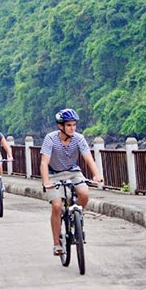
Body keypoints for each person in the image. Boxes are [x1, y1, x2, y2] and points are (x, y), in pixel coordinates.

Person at [40, 109, 103, 256]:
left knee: (84, 193)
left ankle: (78, 219)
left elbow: (88, 158)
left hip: (73, 171)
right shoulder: (50, 139)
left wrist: (97, 175)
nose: (72, 128)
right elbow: (44, 162)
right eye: (69, 125)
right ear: (60, 126)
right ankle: (57, 244)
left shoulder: (79, 138)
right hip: (53, 173)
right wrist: (46, 182)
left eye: (74, 125)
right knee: (56, 206)